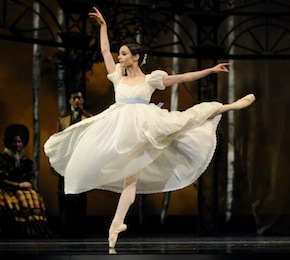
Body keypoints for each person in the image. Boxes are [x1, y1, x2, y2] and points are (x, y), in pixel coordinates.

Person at [44, 6, 255, 248]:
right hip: (119, 125)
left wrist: (210, 69)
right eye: (119, 54)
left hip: (144, 125)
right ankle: (116, 224)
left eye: (123, 54)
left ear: (135, 57)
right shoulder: (117, 77)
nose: (119, 57)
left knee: (184, 123)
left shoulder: (151, 79)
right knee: (123, 175)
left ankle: (230, 107)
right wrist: (103, 27)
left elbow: (182, 78)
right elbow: (104, 50)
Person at [0, 124, 51, 238]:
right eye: (14, 142)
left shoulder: (25, 161)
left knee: (34, 197)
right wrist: (18, 185)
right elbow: (2, 179)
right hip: (6, 189)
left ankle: (35, 230)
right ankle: (15, 230)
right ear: (9, 143)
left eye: (20, 142)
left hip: (22, 189)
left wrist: (25, 185)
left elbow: (28, 176)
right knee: (11, 201)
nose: (17, 145)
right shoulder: (2, 159)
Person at [55, 89, 92, 237]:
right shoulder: (62, 119)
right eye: (74, 98)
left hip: (81, 160)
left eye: (79, 98)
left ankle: (80, 227)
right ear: (70, 101)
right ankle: (65, 227)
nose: (77, 101)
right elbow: (58, 140)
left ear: (82, 100)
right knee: (65, 194)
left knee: (81, 195)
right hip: (66, 161)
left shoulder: (89, 118)